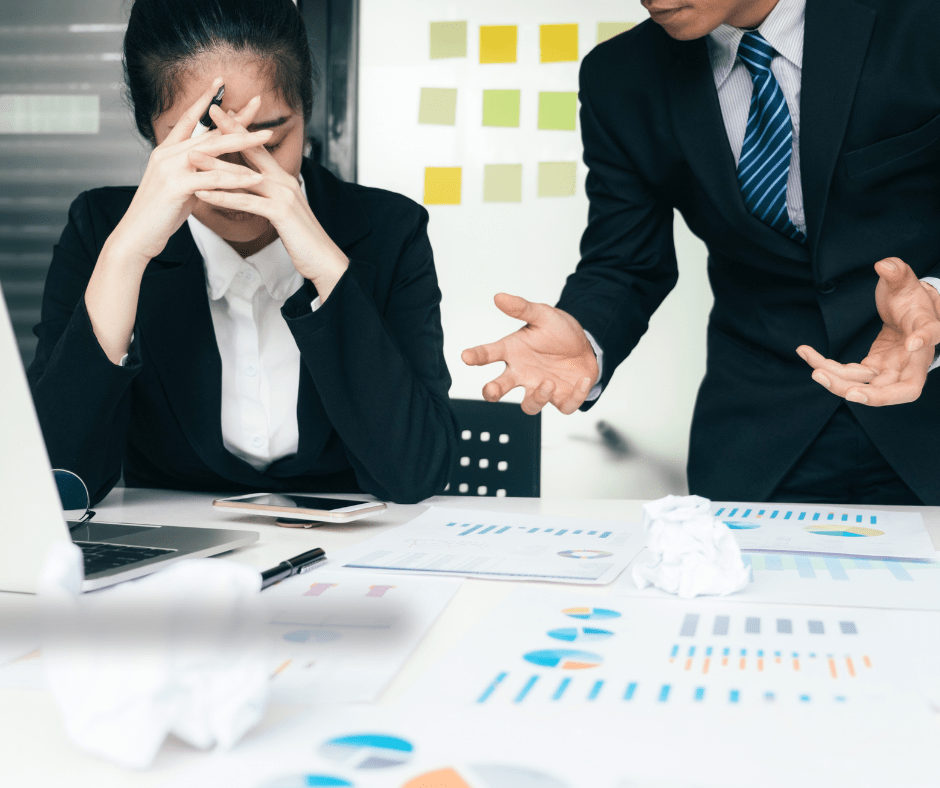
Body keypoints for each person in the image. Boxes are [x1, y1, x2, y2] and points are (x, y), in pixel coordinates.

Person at [463, 0, 940, 505]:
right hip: (758, 432)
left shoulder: (921, 22)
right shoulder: (620, 75)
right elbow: (625, 259)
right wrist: (586, 336)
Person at [28, 0, 456, 506]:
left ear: (307, 114)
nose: (239, 178)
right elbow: (55, 487)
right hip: (175, 547)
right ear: (150, 131)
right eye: (203, 148)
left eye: (267, 142)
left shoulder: (389, 231)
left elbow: (416, 475)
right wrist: (126, 257)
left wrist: (327, 269)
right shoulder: (101, 230)